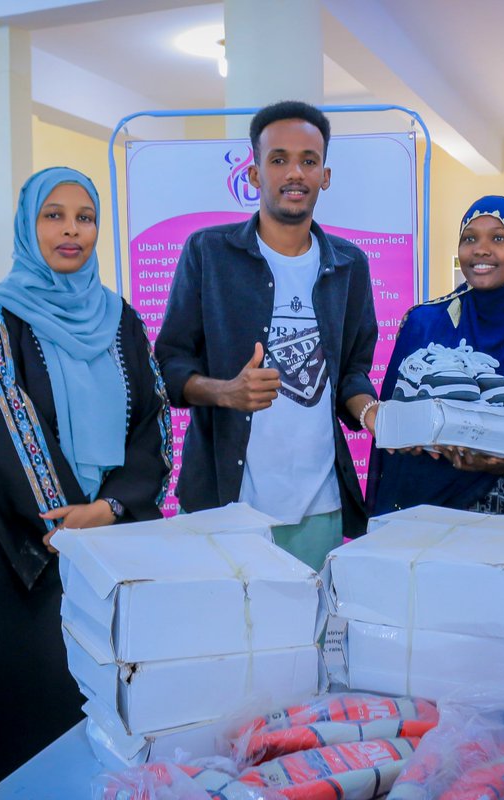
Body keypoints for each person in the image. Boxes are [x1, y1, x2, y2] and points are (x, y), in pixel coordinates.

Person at [0, 167, 171, 798]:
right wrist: (71, 516)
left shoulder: (120, 318)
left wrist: (113, 506)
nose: (71, 230)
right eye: (54, 215)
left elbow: (153, 421)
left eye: (85, 216)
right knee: (24, 729)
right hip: (17, 552)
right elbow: (4, 432)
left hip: (108, 541)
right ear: (27, 225)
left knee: (102, 723)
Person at [155, 101, 378, 570]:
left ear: (325, 175)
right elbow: (170, 364)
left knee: (310, 638)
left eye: (308, 161)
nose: (294, 172)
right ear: (255, 174)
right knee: (225, 637)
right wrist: (226, 392)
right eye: (278, 159)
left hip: (320, 503)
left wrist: (372, 413)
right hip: (226, 502)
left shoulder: (349, 265)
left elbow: (351, 373)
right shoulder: (208, 253)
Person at [366, 195, 504, 517]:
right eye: (469, 238)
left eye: (499, 238)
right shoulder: (424, 323)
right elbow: (393, 420)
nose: (481, 249)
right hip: (421, 514)